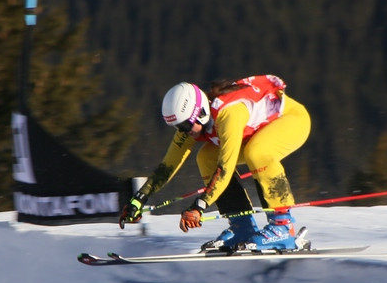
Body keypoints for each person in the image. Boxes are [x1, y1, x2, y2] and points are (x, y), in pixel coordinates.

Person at [119, 74, 311, 252]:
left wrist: (199, 206)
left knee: (258, 152)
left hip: (293, 121)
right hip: (258, 132)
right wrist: (139, 198)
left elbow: (225, 168)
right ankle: (242, 227)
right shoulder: (193, 122)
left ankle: (283, 227)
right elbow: (168, 165)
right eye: (177, 127)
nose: (184, 132)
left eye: (185, 126)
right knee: (206, 157)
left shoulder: (229, 114)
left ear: (201, 113)